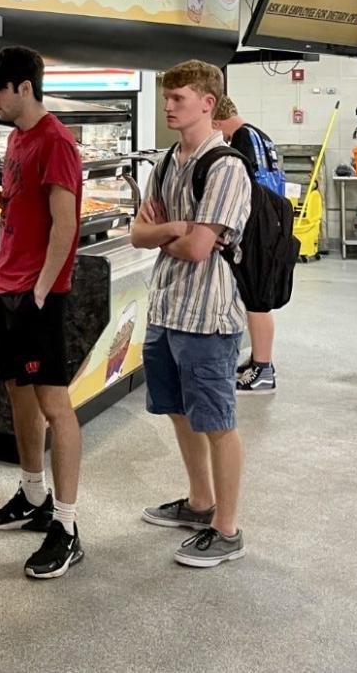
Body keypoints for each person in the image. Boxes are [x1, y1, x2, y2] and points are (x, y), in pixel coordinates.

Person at [0, 46, 84, 580]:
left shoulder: (57, 141)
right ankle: (33, 494)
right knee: (18, 394)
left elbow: (65, 223)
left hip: (37, 294)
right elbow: (22, 208)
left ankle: (67, 524)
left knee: (56, 406)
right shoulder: (17, 138)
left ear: (23, 87)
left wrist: (41, 289)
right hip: (6, 283)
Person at [130, 60, 252, 568]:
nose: (168, 106)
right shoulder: (165, 162)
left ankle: (227, 530)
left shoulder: (225, 167)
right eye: (167, 97)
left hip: (207, 315)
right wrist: (173, 228)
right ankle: (200, 505)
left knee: (217, 420)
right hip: (166, 308)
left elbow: (200, 248)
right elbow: (138, 235)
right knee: (179, 411)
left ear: (208, 102)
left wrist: (173, 231)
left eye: (178, 98)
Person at [212, 96, 283, 393]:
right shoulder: (256, 134)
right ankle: (258, 359)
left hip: (259, 224)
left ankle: (263, 369)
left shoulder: (242, 138)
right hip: (269, 220)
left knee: (257, 300)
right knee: (255, 298)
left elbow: (244, 186)